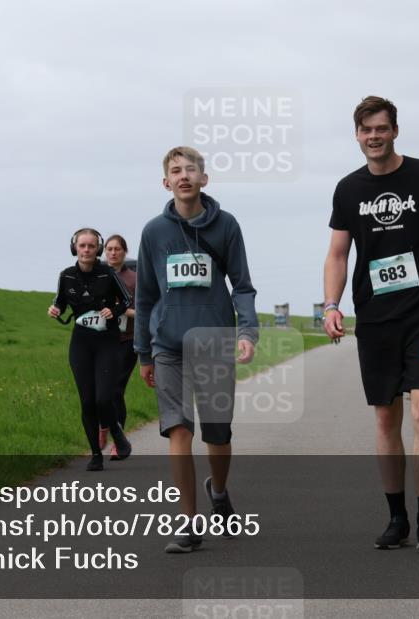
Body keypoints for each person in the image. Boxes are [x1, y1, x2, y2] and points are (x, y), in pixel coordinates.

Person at [323, 96, 419, 556]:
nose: (373, 136)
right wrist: (331, 304)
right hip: (374, 320)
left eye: (381, 128)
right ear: (356, 135)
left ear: (395, 131)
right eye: (365, 129)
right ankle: (397, 518)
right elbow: (337, 253)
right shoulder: (347, 190)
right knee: (386, 415)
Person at [134, 146, 259, 554]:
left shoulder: (227, 226)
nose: (183, 176)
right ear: (165, 182)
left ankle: (218, 492)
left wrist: (247, 332)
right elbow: (147, 296)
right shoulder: (154, 232)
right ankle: (187, 524)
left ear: (205, 179)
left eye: (191, 170)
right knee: (179, 430)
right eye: (175, 171)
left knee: (217, 434)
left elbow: (241, 285)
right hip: (168, 346)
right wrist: (143, 352)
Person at [49, 228, 133, 472]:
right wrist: (55, 310)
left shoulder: (107, 273)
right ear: (75, 248)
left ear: (98, 249)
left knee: (103, 398)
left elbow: (126, 300)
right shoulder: (66, 276)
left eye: (91, 246)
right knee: (87, 401)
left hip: (107, 341)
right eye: (82, 246)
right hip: (81, 343)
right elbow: (60, 302)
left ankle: (116, 431)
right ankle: (96, 454)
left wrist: (114, 311)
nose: (86, 250)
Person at [101, 233, 136, 460]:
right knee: (101, 392)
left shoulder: (134, 279)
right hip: (102, 341)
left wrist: (120, 309)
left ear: (124, 252)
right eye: (109, 249)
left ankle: (117, 439)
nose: (113, 253)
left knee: (115, 390)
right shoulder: (98, 276)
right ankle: (104, 427)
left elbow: (143, 313)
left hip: (127, 341)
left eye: (117, 249)